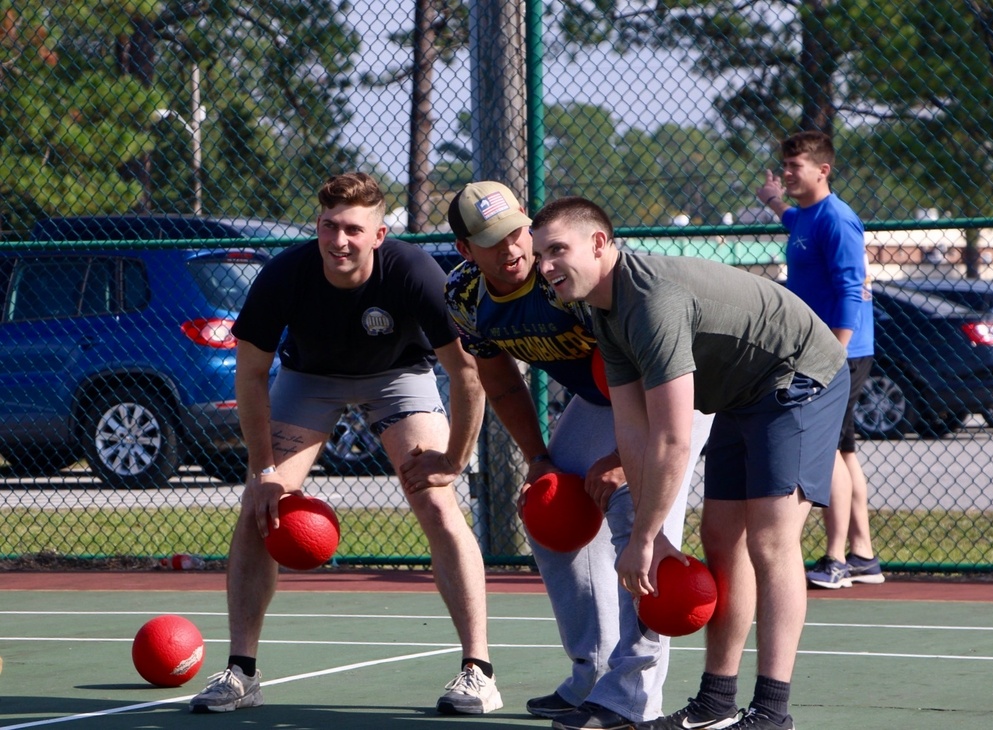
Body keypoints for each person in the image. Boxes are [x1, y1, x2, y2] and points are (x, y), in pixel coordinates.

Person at [188, 172, 501, 716]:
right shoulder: (286, 273)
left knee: (436, 502)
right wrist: (263, 470)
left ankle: (479, 672)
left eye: (354, 229)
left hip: (399, 374)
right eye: (329, 226)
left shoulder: (414, 272)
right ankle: (242, 672)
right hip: (310, 379)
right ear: (317, 226)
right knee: (259, 508)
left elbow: (467, 374)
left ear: (379, 235)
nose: (339, 241)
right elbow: (250, 376)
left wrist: (455, 460)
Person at [531, 197, 850, 730]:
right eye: (540, 254)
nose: (545, 267)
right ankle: (716, 701)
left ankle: (772, 711)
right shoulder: (604, 312)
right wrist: (652, 538)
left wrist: (642, 537)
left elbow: (675, 438)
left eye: (557, 250)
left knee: (771, 540)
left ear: (599, 244)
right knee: (723, 541)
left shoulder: (651, 301)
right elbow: (633, 431)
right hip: (742, 391)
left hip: (799, 375)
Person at [444, 181, 714, 730]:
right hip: (605, 397)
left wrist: (624, 456)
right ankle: (591, 670)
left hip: (678, 388)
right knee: (550, 515)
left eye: (519, 232)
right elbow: (499, 380)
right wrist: (539, 459)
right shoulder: (466, 295)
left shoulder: (569, 279)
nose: (515, 250)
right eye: (493, 242)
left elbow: (655, 378)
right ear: (466, 251)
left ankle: (633, 698)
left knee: (639, 519)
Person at [756, 130, 884, 589]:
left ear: (822, 170)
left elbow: (852, 286)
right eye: (784, 166)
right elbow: (796, 224)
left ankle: (835, 561)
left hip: (837, 353)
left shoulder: (837, 219)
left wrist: (834, 348)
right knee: (844, 452)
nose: (787, 173)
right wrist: (774, 202)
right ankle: (863, 554)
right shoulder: (808, 217)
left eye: (796, 167)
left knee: (826, 450)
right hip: (824, 350)